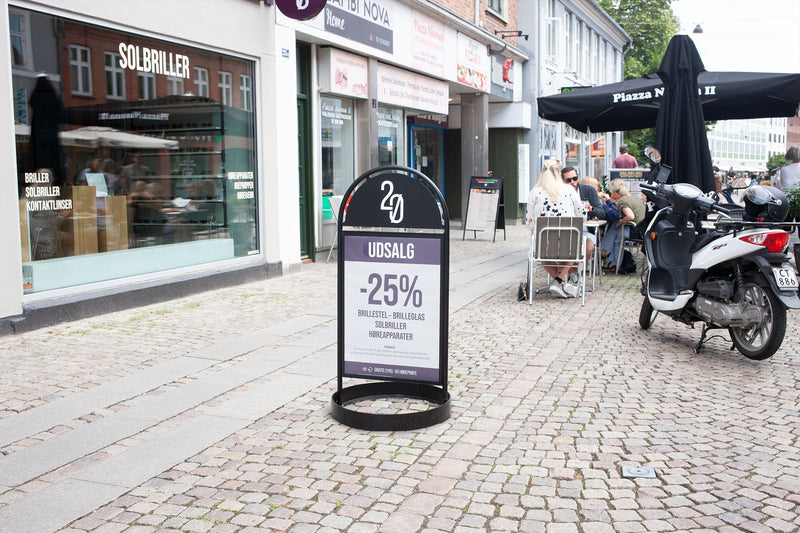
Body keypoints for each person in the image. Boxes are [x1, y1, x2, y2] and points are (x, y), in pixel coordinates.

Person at [525, 159, 586, 298]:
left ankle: (558, 282)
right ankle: (560, 283)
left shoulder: (535, 192)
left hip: (544, 246)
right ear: (559, 173)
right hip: (568, 244)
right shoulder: (569, 190)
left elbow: (529, 223)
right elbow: (581, 215)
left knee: (542, 255)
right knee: (572, 252)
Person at [561, 167, 605, 281]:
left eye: (575, 178)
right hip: (565, 231)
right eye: (568, 180)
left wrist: (588, 208)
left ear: (578, 177)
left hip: (585, 230)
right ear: (563, 181)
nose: (572, 182)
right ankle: (567, 274)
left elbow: (601, 212)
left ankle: (573, 271)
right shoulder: (560, 193)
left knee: (589, 247)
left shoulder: (588, 190)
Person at [601, 179, 646, 270]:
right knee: (615, 226)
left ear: (613, 192)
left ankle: (615, 262)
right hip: (642, 228)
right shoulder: (632, 197)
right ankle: (606, 252)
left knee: (617, 236)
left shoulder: (623, 201)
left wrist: (621, 221)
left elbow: (630, 216)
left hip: (635, 231)